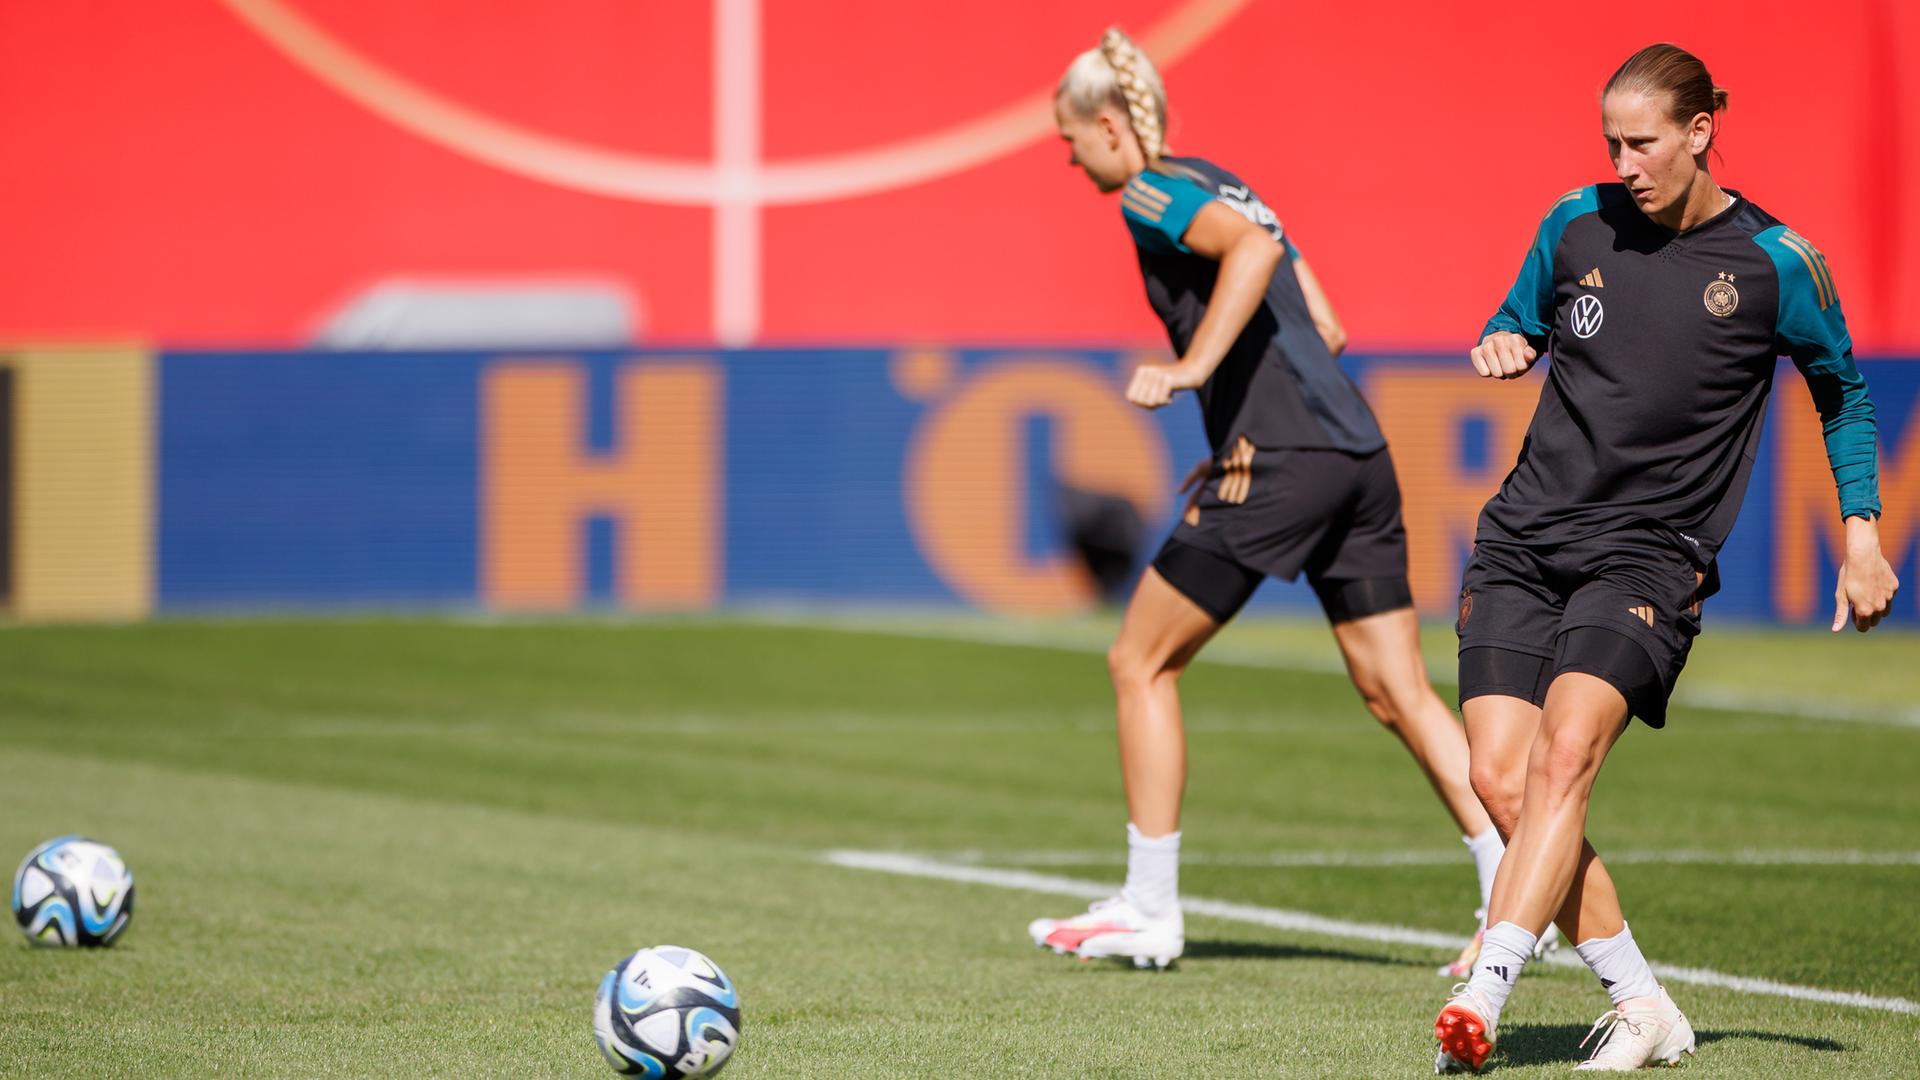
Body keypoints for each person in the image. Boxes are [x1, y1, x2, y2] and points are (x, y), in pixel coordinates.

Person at [1431, 43, 1899, 1072]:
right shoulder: (1573, 223)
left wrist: (1861, 532)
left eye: (1642, 142)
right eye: (1611, 142)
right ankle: (1642, 1005)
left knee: (1566, 756)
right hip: (1523, 538)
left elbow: (1844, 391)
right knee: (1501, 781)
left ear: (1699, 133)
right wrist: (1504, 342)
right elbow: (1513, 322)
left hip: (1647, 556)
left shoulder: (1778, 263)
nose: (1624, 161)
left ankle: (1488, 988)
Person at [1027, 27, 1508, 974]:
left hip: (1286, 458)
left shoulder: (1151, 190)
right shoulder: (1222, 176)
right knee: (1397, 689)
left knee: (1139, 661)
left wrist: (1197, 371)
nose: (1069, 154)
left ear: (1112, 125)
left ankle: (1150, 909)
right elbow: (1321, 320)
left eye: (1069, 137)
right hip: (1354, 452)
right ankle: (1508, 895)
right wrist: (1239, 438)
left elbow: (1247, 253)